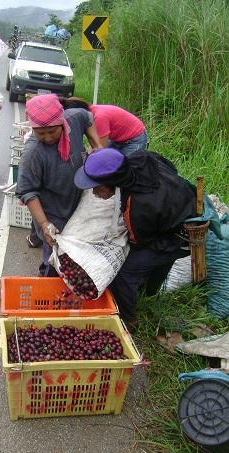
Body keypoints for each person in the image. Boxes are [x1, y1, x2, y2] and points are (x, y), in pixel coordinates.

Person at [74, 147, 197, 325]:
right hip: (185, 207)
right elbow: (172, 168)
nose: (94, 192)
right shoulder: (142, 158)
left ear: (113, 181)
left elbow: (139, 241)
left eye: (97, 187)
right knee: (152, 263)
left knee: (127, 271)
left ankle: (127, 319)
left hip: (182, 235)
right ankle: (150, 292)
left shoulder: (139, 208)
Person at [16, 93, 103, 276]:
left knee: (74, 258)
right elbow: (27, 191)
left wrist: (97, 146)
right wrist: (44, 224)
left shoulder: (73, 119)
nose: (47, 138)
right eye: (41, 133)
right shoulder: (33, 153)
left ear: (62, 122)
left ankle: (47, 272)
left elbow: (87, 117)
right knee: (56, 258)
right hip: (53, 214)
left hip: (78, 204)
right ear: (33, 128)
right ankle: (47, 279)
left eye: (52, 131)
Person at [59, 97, 148, 156]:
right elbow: (94, 142)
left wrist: (84, 160)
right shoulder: (91, 113)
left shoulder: (99, 118)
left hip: (135, 138)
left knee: (127, 167)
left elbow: (100, 148)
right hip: (117, 138)